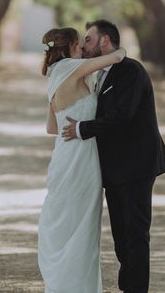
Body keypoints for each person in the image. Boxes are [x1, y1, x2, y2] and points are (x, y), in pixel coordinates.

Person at [62, 19, 165, 293]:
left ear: (105, 41)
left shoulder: (131, 71)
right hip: (112, 169)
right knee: (121, 237)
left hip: (137, 165)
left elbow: (121, 117)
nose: (84, 45)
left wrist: (80, 129)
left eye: (88, 39)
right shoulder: (98, 74)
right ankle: (128, 287)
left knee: (136, 234)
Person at [37, 26, 126, 293]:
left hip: (64, 157)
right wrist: (112, 48)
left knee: (70, 225)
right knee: (83, 230)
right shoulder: (68, 68)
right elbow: (117, 57)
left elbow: (52, 128)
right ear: (67, 48)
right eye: (79, 44)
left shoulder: (55, 74)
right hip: (80, 161)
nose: (83, 49)